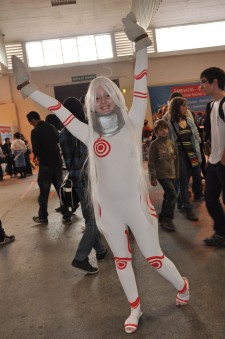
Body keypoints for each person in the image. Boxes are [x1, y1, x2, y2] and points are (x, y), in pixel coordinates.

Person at [12, 12, 190, 334]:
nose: (104, 101)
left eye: (108, 94)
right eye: (98, 98)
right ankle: (134, 309)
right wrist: (27, 87)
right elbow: (56, 109)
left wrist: (139, 44)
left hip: (137, 206)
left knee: (153, 258)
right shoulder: (86, 132)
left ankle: (182, 286)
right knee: (121, 261)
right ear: (91, 104)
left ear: (114, 96)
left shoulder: (135, 120)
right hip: (108, 210)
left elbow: (140, 81)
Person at [60, 96, 108, 274]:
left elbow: (67, 159)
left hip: (76, 179)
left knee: (90, 218)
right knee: (94, 221)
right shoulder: (84, 128)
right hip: (89, 179)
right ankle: (80, 257)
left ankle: (101, 251)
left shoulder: (63, 131)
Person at [26, 111, 71, 225]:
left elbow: (36, 150)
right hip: (56, 163)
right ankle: (67, 216)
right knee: (61, 191)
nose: (31, 124)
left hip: (46, 165)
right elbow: (57, 140)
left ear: (32, 120)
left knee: (44, 193)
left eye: (30, 122)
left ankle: (43, 217)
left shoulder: (35, 132)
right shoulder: (52, 127)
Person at [200, 67, 225, 247]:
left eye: (203, 81)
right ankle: (222, 231)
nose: (201, 86)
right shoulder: (211, 105)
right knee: (209, 197)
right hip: (213, 161)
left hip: (223, 161)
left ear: (215, 81)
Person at [166, 97, 202, 221]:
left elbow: (196, 136)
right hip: (179, 155)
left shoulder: (189, 120)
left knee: (197, 176)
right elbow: (167, 142)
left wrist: (198, 147)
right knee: (183, 182)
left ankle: (180, 201)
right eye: (183, 106)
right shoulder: (170, 124)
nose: (186, 108)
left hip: (192, 153)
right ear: (177, 108)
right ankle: (187, 207)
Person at [148, 119, 178, 231]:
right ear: (156, 132)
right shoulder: (154, 144)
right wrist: (153, 176)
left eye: (165, 128)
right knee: (173, 195)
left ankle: (162, 216)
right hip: (161, 174)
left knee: (168, 196)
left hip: (171, 173)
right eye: (160, 129)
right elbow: (151, 162)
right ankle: (167, 220)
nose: (164, 131)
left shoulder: (170, 143)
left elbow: (174, 158)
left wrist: (173, 159)